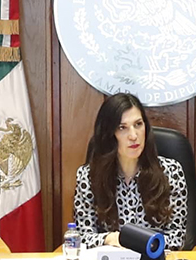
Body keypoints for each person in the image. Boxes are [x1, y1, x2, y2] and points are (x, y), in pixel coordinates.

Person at [71, 93, 189, 249]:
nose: (133, 136)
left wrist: (132, 243)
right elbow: (82, 238)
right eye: (122, 128)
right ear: (109, 134)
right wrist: (110, 238)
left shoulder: (171, 173)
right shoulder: (88, 178)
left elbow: (177, 238)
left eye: (138, 124)